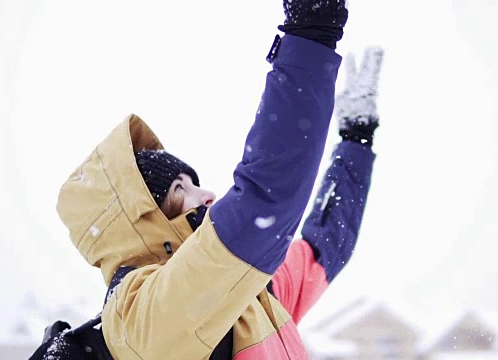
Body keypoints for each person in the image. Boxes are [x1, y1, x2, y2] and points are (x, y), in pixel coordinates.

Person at [55, 0, 383, 358]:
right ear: (142, 221)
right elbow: (264, 201)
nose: (207, 194)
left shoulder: (254, 296)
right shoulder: (142, 320)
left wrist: (354, 140)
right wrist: (309, 38)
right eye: (180, 189)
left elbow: (324, 247)